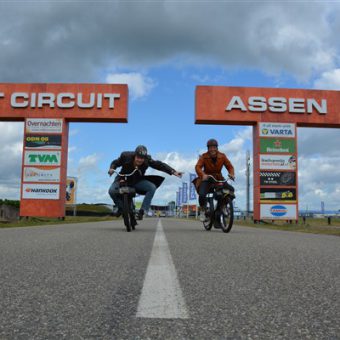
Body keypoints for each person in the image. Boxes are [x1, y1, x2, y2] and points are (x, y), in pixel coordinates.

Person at [108, 145, 183, 220]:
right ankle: (121, 208)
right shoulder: (125, 156)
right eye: (138, 157)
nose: (140, 160)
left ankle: (142, 211)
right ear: (135, 155)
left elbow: (159, 165)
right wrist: (112, 168)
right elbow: (116, 162)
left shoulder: (147, 160)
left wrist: (173, 171)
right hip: (122, 178)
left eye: (142, 158)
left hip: (137, 181)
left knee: (152, 187)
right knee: (111, 191)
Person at [193, 139, 235, 222]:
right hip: (207, 177)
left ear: (217, 148)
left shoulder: (222, 156)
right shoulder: (204, 156)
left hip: (218, 178)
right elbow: (198, 167)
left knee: (231, 190)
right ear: (208, 148)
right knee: (202, 194)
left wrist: (231, 174)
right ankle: (202, 210)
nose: (212, 149)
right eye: (210, 147)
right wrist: (203, 175)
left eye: (214, 147)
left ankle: (223, 206)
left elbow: (230, 166)